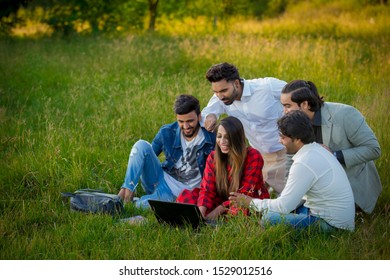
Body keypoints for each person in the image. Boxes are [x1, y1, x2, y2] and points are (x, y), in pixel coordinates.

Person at [229, 110, 355, 231]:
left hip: (331, 224)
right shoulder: (316, 149)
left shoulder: (304, 162)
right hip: (329, 215)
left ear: (298, 139)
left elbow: (284, 206)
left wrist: (250, 202)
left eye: (283, 137)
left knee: (269, 218)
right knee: (278, 209)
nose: (280, 141)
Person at [280, 80, 382, 214]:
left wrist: (334, 155)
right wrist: (287, 200)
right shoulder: (293, 122)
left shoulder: (345, 114)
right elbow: (290, 160)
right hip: (316, 187)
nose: (284, 112)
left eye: (288, 106)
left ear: (304, 104)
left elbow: (373, 149)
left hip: (352, 187)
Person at [201, 62, 287, 194]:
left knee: (292, 201)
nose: (220, 96)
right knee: (251, 200)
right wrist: (210, 116)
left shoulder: (267, 87)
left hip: (285, 152)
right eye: (216, 92)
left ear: (236, 83)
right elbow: (208, 112)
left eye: (223, 90)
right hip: (257, 157)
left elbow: (299, 94)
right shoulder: (221, 98)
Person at [117, 94, 216, 209]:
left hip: (175, 194)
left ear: (199, 117)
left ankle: (128, 203)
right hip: (159, 179)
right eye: (181, 121)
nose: (186, 126)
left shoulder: (210, 138)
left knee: (138, 207)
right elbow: (147, 154)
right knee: (141, 145)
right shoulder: (167, 132)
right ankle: (128, 191)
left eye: (190, 121)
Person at [177, 116, 270, 220]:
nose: (222, 141)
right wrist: (201, 214)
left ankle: (225, 218)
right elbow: (207, 189)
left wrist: (216, 211)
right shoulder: (213, 156)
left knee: (241, 209)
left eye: (227, 137)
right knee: (188, 197)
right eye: (219, 136)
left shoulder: (253, 156)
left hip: (246, 199)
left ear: (237, 138)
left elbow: (244, 194)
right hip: (222, 198)